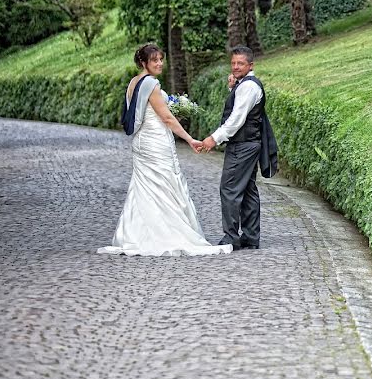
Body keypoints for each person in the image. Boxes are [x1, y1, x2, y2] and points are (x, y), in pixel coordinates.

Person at [97, 44, 233, 257]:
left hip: (141, 142)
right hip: (155, 142)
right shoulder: (151, 84)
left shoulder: (133, 82)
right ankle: (165, 234)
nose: (160, 63)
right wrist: (189, 139)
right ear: (144, 63)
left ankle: (135, 235)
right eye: (155, 60)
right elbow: (167, 118)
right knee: (165, 185)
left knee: (143, 188)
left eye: (161, 59)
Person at [199, 45, 269, 251]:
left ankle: (231, 237)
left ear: (250, 65)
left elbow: (237, 119)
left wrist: (214, 138)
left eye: (240, 63)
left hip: (243, 145)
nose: (236, 67)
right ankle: (250, 236)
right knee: (247, 189)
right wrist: (232, 87)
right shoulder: (244, 85)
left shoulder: (248, 86)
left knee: (229, 188)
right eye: (233, 63)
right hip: (249, 144)